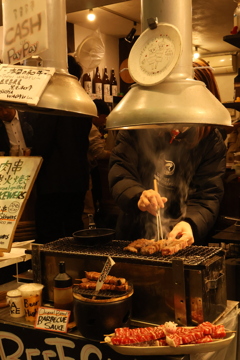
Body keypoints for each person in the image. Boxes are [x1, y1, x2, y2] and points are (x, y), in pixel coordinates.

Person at [108, 124, 226, 245]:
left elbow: (208, 194)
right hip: (134, 227)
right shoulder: (137, 125)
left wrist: (190, 223)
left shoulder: (210, 138)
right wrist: (137, 195)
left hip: (182, 236)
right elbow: (121, 172)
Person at [29, 55, 92, 243]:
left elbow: (42, 141)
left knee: (50, 238)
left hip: (53, 183)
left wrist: (31, 159)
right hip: (78, 179)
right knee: (73, 234)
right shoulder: (83, 102)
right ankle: (74, 271)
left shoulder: (52, 101)